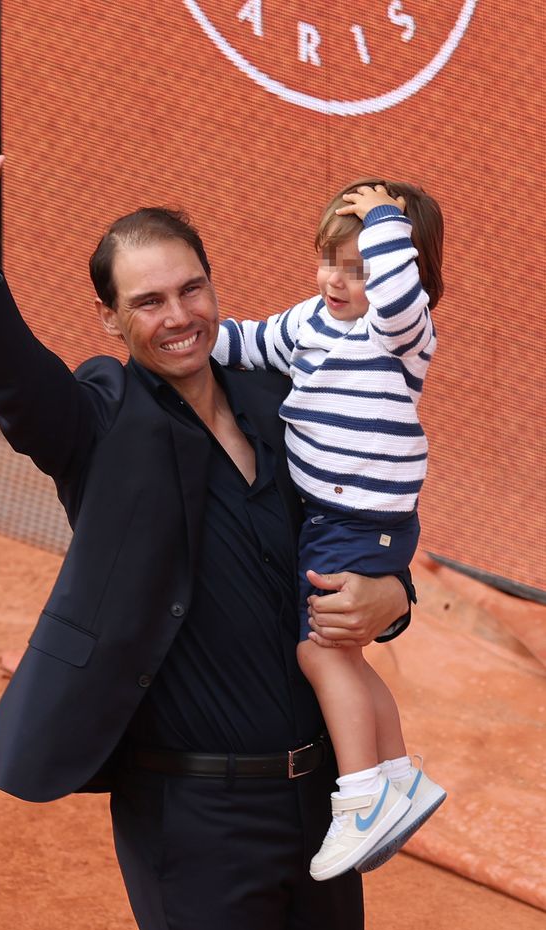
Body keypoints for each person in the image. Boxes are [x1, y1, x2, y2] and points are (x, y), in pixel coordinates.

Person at [0, 103, 415, 930]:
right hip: (194, 819)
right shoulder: (100, 419)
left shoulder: (278, 395)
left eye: (191, 289)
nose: (178, 317)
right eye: (147, 302)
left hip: (323, 804)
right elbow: (20, 381)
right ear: (109, 319)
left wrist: (393, 590)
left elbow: (361, 502)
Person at [213, 179, 447, 882]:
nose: (336, 282)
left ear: (403, 275)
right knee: (341, 654)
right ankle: (399, 776)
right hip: (328, 520)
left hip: (361, 520)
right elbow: (246, 342)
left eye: (361, 270)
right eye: (328, 261)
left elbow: (397, 296)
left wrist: (383, 221)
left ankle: (362, 798)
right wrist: (184, 335)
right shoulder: (307, 323)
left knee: (318, 653)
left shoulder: (399, 334)